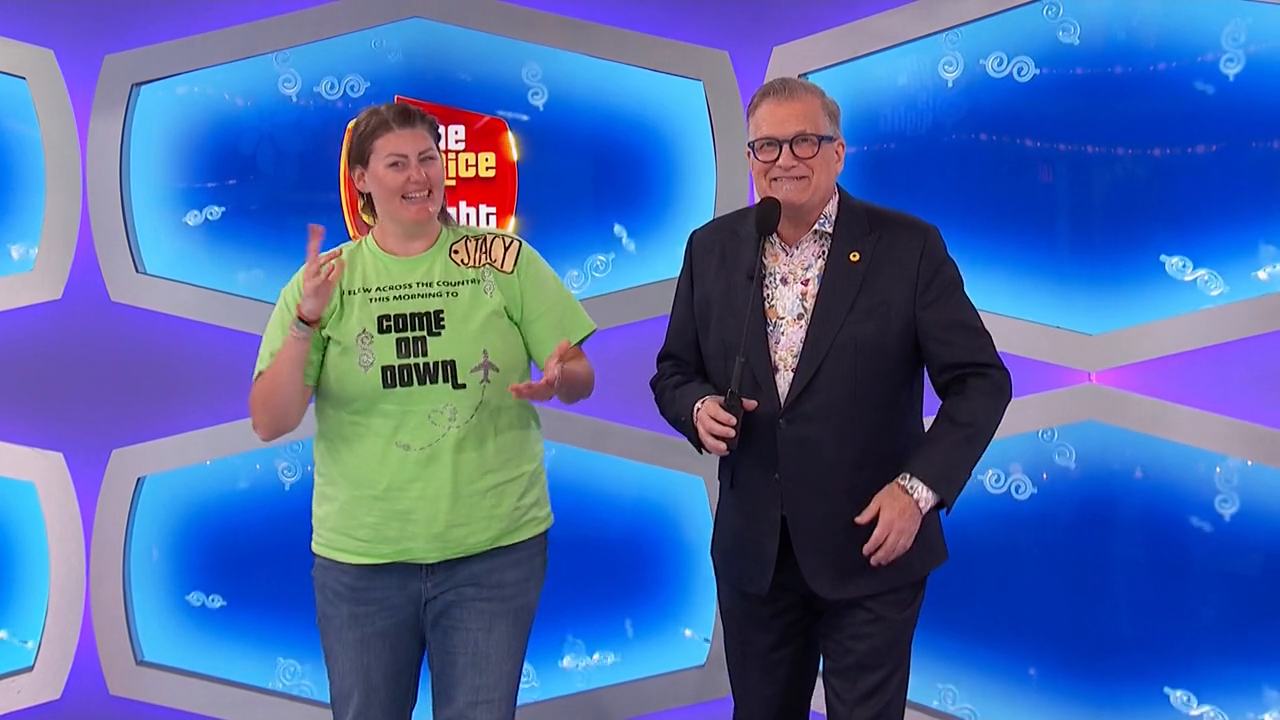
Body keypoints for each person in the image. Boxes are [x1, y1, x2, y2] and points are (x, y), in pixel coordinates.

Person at [650, 77, 1012, 719]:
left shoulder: (907, 247)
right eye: (767, 146)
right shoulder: (711, 249)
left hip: (872, 544)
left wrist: (917, 491)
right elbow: (674, 371)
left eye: (804, 142)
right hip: (756, 555)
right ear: (750, 158)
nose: (784, 159)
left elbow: (982, 381)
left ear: (838, 152)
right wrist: (697, 408)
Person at [248, 102, 596, 720]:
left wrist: (560, 377)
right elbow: (270, 420)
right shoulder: (326, 282)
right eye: (397, 163)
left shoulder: (504, 260)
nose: (418, 176)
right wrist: (305, 321)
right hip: (363, 561)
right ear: (361, 179)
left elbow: (579, 375)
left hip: (494, 553)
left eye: (428, 160)